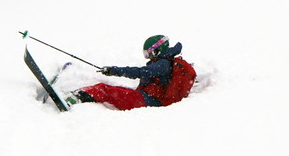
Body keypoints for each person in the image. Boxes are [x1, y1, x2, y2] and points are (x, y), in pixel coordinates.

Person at [69, 34, 197, 110]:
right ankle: (78, 95)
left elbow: (140, 72)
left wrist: (114, 70)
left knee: (106, 90)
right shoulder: (167, 62)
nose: (147, 56)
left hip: (150, 102)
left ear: (157, 50)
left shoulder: (163, 64)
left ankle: (74, 98)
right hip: (148, 99)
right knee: (112, 90)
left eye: (148, 53)